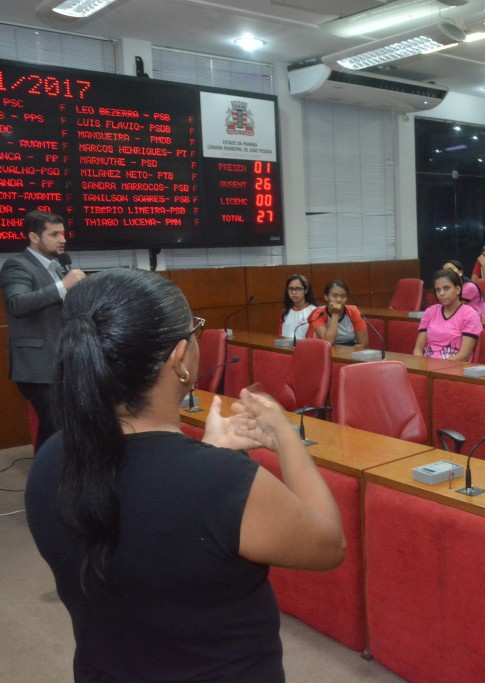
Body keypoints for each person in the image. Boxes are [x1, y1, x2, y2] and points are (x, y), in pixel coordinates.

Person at [24, 269, 345, 681]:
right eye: (194, 330)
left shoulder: (50, 458)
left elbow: (154, 519)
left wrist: (206, 456)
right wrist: (285, 436)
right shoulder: (223, 484)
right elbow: (328, 544)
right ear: (178, 358)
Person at [1, 210, 86, 448]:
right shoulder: (17, 265)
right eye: (54, 234)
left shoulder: (58, 268)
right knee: (53, 429)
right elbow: (17, 304)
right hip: (37, 367)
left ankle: (61, 476)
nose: (63, 239)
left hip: (62, 361)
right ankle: (46, 480)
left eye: (63, 233)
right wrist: (63, 285)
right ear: (34, 237)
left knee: (62, 427)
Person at [413, 269, 482, 361]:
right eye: (438, 290)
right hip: (427, 366)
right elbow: (418, 349)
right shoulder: (430, 312)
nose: (441, 293)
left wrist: (438, 368)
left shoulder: (470, 314)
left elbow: (464, 355)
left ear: (457, 289)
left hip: (453, 367)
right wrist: (421, 366)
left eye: (446, 288)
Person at [308, 279, 369, 346]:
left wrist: (347, 354)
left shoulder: (353, 312)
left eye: (343, 296)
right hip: (325, 351)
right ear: (326, 297)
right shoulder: (318, 314)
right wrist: (335, 314)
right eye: (334, 296)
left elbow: (364, 343)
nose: (339, 300)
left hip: (350, 350)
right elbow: (329, 342)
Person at [279, 274, 316, 340]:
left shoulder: (313, 311)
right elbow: (280, 335)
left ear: (306, 290)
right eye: (290, 289)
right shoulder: (285, 311)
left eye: (298, 289)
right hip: (285, 348)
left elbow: (312, 339)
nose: (294, 292)